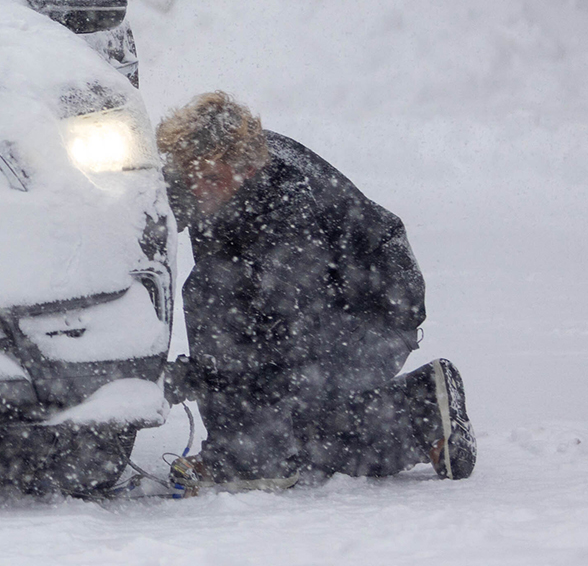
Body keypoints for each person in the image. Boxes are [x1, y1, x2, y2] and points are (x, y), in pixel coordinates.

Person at [156, 92, 476, 492]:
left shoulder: (286, 208)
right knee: (299, 424)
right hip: (328, 308)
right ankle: (417, 405)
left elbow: (281, 340)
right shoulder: (212, 171)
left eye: (209, 179)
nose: (197, 188)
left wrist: (201, 378)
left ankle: (251, 458)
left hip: (373, 315)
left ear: (245, 169)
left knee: (301, 433)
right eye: (189, 176)